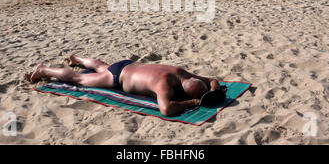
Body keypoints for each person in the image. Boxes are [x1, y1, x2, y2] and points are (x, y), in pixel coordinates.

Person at [25, 54, 221, 117]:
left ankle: (76, 57)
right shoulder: (164, 87)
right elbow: (166, 110)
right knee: (79, 79)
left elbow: (212, 80)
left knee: (101, 66)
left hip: (127, 65)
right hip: (118, 77)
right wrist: (193, 102)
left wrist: (212, 90)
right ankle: (44, 71)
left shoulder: (181, 73)